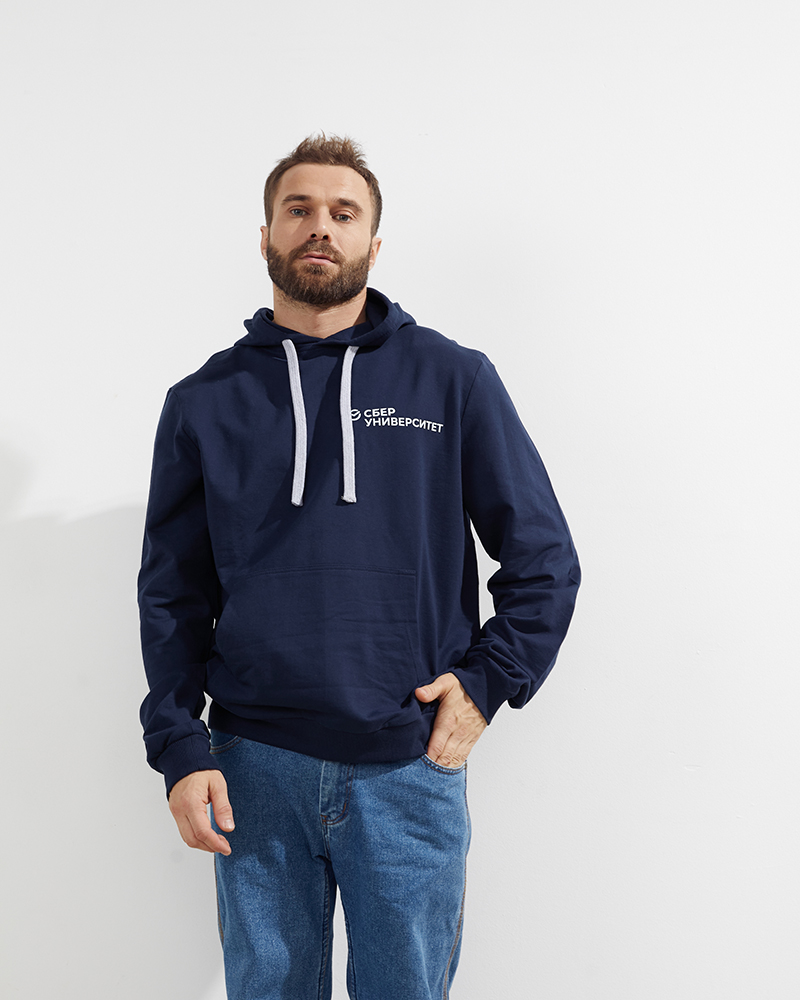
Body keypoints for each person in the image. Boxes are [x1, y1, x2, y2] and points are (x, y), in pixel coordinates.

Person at [138, 134, 580, 1000]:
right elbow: (172, 596)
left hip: (407, 765)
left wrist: (487, 682)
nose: (320, 227)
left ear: (373, 244)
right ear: (265, 236)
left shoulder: (452, 380)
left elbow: (544, 557)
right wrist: (179, 747)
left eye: (344, 213)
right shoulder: (204, 401)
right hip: (253, 765)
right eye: (298, 209)